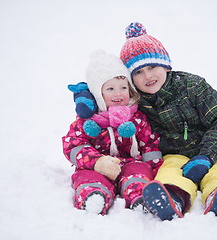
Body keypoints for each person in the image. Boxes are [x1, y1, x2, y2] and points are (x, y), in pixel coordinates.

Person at [118, 22, 217, 221]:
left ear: (165, 65)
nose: (148, 76)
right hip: (174, 155)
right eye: (138, 72)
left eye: (152, 67)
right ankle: (173, 197)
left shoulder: (192, 86)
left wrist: (208, 156)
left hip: (216, 151)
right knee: (169, 173)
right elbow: (110, 101)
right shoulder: (137, 102)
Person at [62, 50, 163, 215]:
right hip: (98, 166)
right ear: (98, 94)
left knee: (139, 172)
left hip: (131, 163)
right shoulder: (87, 121)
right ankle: (95, 196)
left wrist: (156, 169)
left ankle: (140, 197)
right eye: (110, 88)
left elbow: (149, 144)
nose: (118, 93)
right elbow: (73, 145)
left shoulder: (136, 118)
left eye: (123, 87)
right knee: (87, 176)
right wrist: (96, 162)